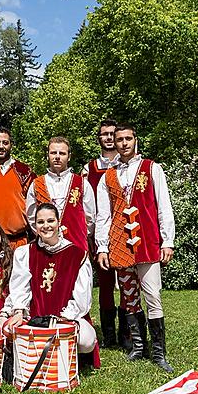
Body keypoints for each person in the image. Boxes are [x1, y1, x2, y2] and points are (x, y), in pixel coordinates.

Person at [95, 124, 176, 373]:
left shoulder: (152, 168)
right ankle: (138, 347)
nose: (124, 143)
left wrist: (168, 240)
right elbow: (103, 215)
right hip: (120, 243)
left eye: (128, 138)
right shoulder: (107, 176)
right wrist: (102, 247)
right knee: (129, 297)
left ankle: (159, 352)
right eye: (119, 139)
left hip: (148, 241)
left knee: (152, 294)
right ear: (114, 143)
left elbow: (163, 205)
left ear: (135, 140)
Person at [2, 203, 98, 365]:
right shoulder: (25, 252)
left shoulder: (77, 255)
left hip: (66, 317)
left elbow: (82, 299)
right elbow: (20, 287)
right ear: (35, 225)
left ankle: (68, 356)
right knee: (8, 329)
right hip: (34, 317)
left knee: (87, 340)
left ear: (58, 222)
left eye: (50, 221)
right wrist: (19, 311)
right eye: (40, 222)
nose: (46, 226)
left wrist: (63, 319)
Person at [84, 119, 123, 348]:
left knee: (129, 284)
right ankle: (109, 334)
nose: (108, 138)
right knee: (106, 283)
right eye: (104, 134)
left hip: (124, 229)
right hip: (102, 231)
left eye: (112, 134)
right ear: (99, 138)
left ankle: (128, 332)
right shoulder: (90, 168)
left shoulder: (127, 165)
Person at [26, 136, 95, 252]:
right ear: (48, 155)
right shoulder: (36, 184)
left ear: (69, 156)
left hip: (76, 245)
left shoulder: (82, 183)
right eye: (53, 153)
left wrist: (80, 233)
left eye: (62, 153)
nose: (57, 157)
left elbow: (90, 217)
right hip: (46, 248)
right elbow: (32, 217)